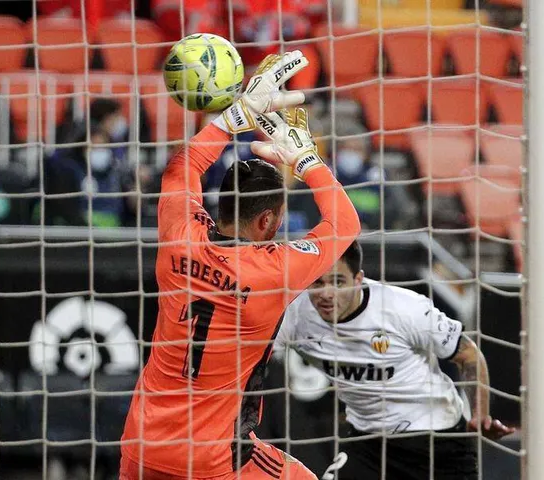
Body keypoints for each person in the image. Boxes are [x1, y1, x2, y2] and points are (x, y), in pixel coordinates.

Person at [120, 51, 361, 480]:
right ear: (270, 219)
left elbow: (182, 167)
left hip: (142, 443)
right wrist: (306, 159)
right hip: (213, 458)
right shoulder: (274, 270)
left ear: (218, 204)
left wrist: (236, 116)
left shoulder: (181, 237)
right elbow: (345, 222)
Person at [275, 240, 515, 480]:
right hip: (367, 442)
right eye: (318, 282)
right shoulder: (296, 316)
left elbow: (468, 354)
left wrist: (479, 415)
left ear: (358, 280)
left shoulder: (403, 308)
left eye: (338, 282)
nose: (326, 293)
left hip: (436, 440)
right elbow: (251, 355)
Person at [42, 125, 128, 227]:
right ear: (83, 149)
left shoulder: (116, 172)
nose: (98, 150)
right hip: (81, 231)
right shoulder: (71, 171)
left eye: (102, 146)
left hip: (116, 233)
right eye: (94, 146)